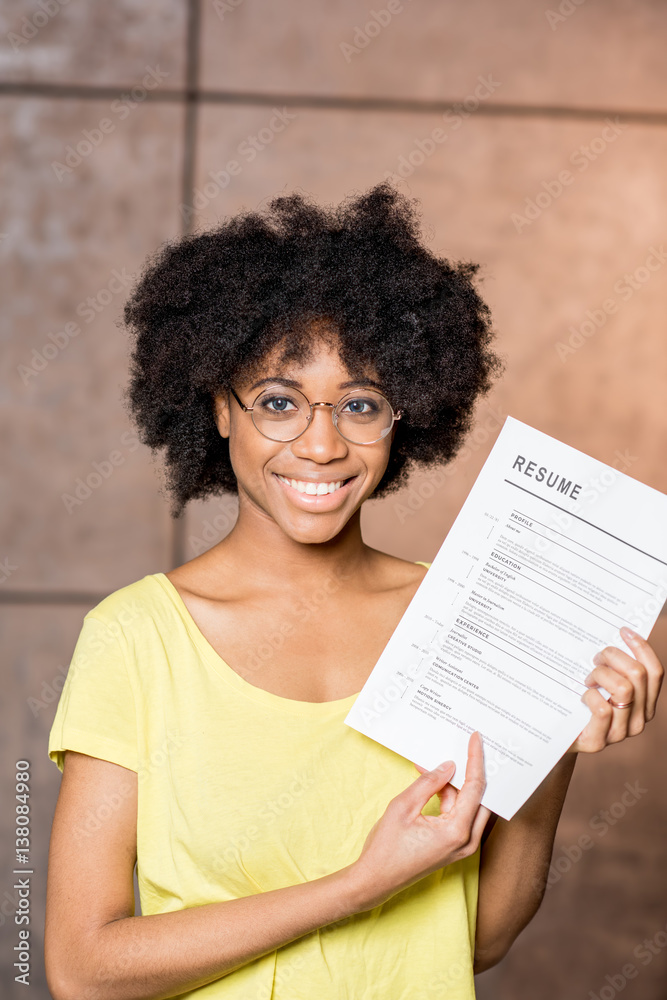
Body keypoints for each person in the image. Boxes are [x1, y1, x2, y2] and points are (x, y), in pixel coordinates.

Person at [45, 182, 664, 1000]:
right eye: (278, 402)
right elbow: (83, 971)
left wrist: (552, 733)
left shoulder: (464, 616)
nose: (322, 444)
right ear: (217, 408)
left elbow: (476, 940)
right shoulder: (137, 638)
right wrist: (360, 884)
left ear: (404, 416)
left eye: (360, 404)